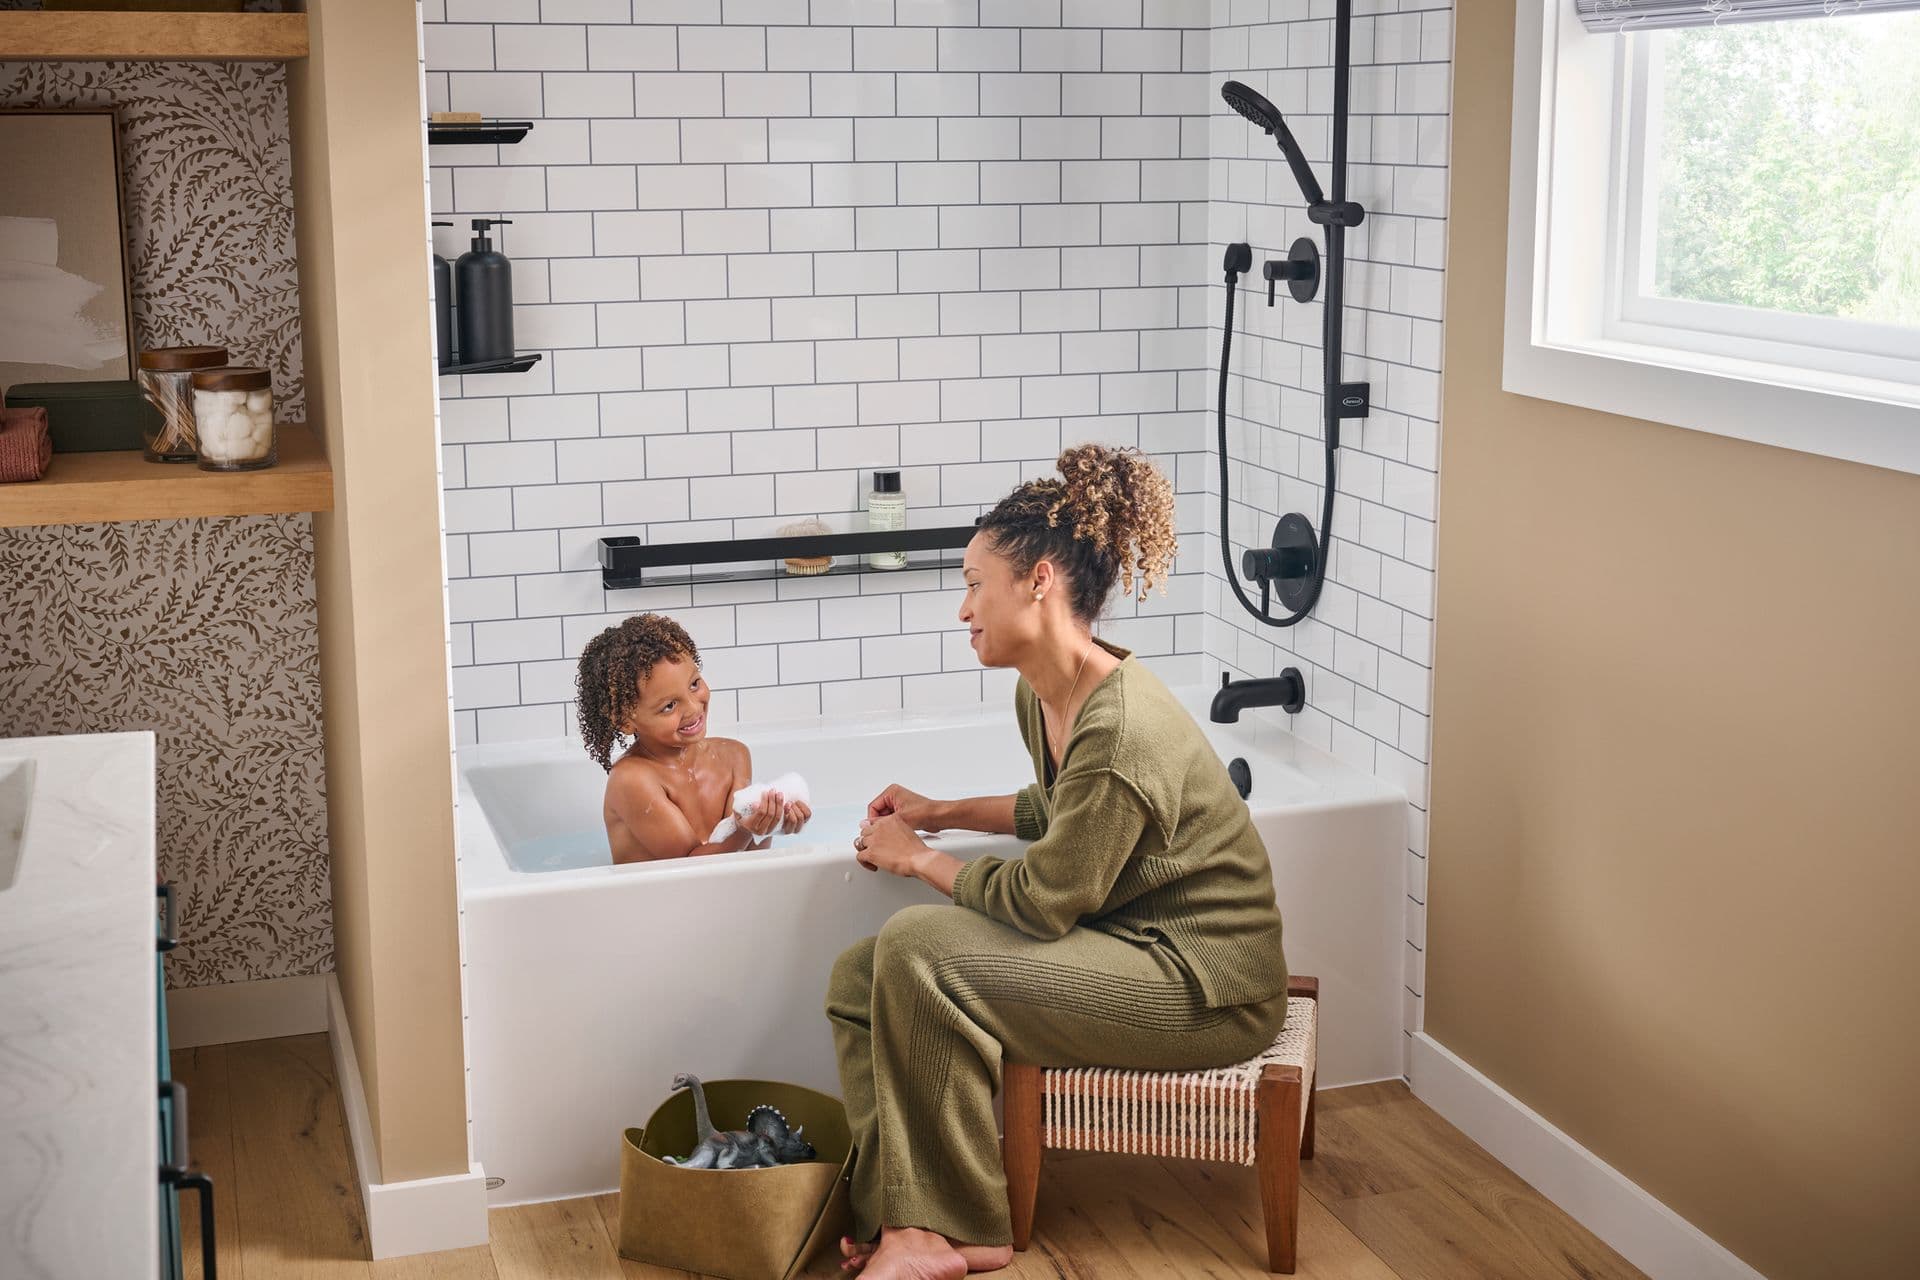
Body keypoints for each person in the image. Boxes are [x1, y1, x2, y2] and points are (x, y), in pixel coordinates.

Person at [827, 444, 1291, 1280]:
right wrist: (940, 810)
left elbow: (1045, 901)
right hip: (1133, 941)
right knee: (859, 979)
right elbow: (1064, 815)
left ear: (1038, 580)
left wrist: (919, 858)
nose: (962, 608)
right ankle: (903, 1215)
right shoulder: (1043, 690)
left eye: (974, 583)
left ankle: (960, 1228)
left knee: (915, 945)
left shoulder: (1119, 727)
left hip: (1206, 986)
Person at [574, 613, 809, 864]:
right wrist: (747, 830)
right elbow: (691, 867)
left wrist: (770, 824)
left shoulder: (734, 756)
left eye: (694, 684)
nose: (694, 709)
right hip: (653, 900)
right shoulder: (631, 780)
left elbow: (742, 861)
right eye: (669, 706)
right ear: (625, 721)